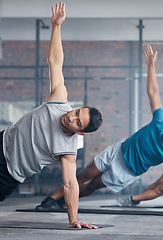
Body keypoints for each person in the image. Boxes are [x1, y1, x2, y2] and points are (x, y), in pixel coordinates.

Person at [36, 45, 163, 215]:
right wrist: (151, 66)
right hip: (118, 151)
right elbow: (153, 92)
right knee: (85, 174)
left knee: (93, 185)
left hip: (127, 170)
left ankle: (66, 200)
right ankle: (51, 199)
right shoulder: (161, 121)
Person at [0, 2, 102, 229]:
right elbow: (55, 63)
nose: (71, 118)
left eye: (77, 122)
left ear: (81, 132)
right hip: (2, 142)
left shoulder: (68, 149)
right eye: (76, 112)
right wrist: (56, 27)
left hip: (9, 174)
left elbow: (70, 184)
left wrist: (73, 219)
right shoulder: (59, 99)